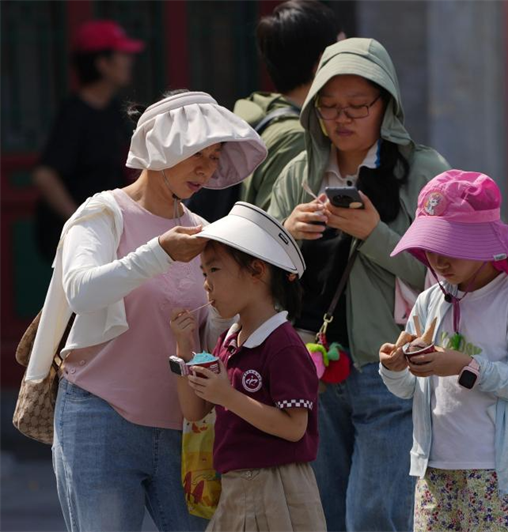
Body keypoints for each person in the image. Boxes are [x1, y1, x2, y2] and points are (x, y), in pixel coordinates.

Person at [25, 90, 266, 532]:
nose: (207, 169)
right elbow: (80, 291)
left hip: (186, 427)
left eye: (215, 158)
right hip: (101, 420)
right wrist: (158, 252)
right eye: (198, 153)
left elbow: (215, 331)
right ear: (160, 147)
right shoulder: (103, 213)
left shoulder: (204, 233)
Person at [268, 37, 450, 531]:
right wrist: (285, 234)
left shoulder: (424, 171)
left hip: (389, 366)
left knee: (374, 514)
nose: (341, 119)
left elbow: (449, 279)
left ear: (385, 105)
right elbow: (255, 278)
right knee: (323, 512)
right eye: (327, 108)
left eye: (356, 106)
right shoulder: (298, 172)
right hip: (309, 365)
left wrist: (375, 235)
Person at [378, 170, 508, 532]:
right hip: (434, 472)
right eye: (431, 246)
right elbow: (405, 390)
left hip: (498, 474)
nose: (438, 260)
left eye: (450, 246)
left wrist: (466, 366)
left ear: (484, 243)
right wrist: (395, 366)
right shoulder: (429, 300)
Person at [170, 202, 325, 532]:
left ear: (257, 272)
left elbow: (294, 426)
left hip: (278, 486)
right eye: (203, 274)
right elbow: (195, 411)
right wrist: (184, 350)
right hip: (236, 486)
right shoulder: (229, 340)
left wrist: (228, 396)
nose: (206, 284)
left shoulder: (282, 344)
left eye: (215, 270)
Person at [186, 0, 343, 222]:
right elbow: (275, 232)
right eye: (342, 53)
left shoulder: (256, 110)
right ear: (321, 64)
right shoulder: (296, 137)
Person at [33, 20, 144, 261]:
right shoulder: (74, 114)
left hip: (109, 234)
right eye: (122, 55)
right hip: (80, 244)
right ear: (102, 63)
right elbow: (45, 176)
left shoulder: (115, 110)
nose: (129, 61)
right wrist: (80, 222)